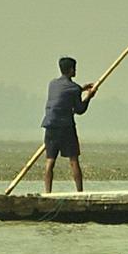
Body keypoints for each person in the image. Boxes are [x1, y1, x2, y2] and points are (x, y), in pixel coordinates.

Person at [40, 56, 96, 193]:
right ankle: (80, 193)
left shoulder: (52, 84)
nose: (76, 71)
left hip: (50, 125)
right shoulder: (74, 88)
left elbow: (64, 94)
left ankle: (47, 193)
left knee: (50, 160)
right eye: (75, 68)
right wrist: (89, 96)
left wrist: (81, 89)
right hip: (65, 128)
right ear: (71, 70)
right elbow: (79, 109)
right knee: (73, 160)